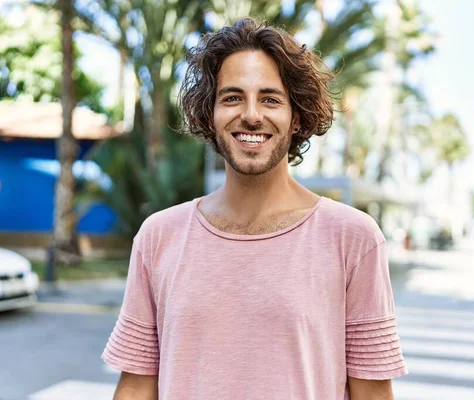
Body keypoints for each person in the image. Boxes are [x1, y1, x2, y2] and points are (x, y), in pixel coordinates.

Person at [102, 18, 408, 400]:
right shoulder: (158, 236)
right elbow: (135, 386)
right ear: (209, 116)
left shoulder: (353, 237)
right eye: (232, 97)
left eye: (270, 99)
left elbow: (373, 393)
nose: (250, 114)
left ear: (296, 117)